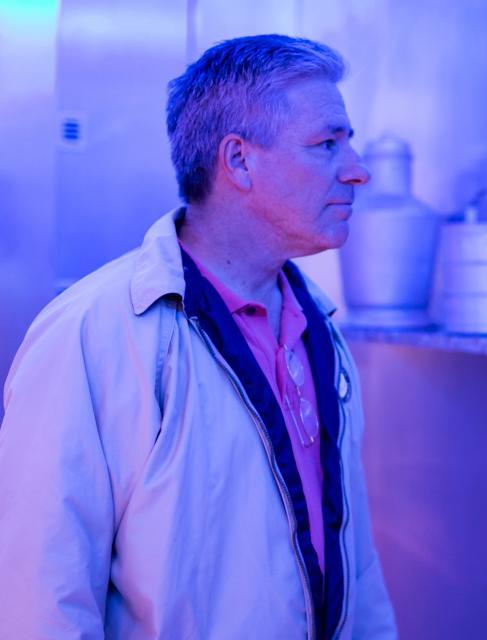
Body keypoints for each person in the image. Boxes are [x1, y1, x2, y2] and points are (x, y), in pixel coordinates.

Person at [0, 34, 398, 639]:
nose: (357, 170)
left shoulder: (319, 332)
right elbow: (39, 600)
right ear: (238, 161)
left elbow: (357, 568)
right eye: (327, 144)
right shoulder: (95, 335)